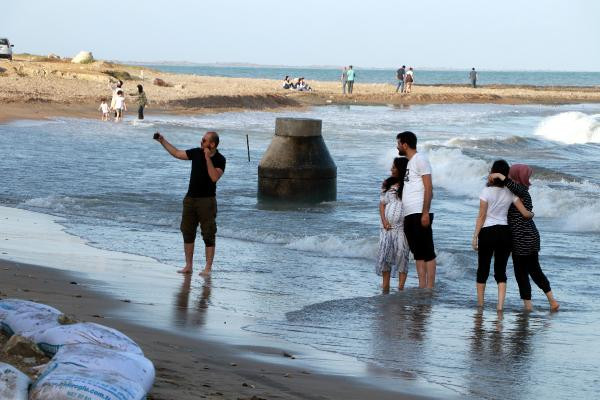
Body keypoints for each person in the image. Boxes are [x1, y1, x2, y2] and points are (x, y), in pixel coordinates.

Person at [154, 131, 226, 276]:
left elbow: (214, 177)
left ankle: (208, 268)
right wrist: (162, 141)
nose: (201, 142)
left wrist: (207, 158)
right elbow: (177, 153)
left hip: (207, 201)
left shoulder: (220, 159)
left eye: (204, 140)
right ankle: (188, 265)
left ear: (212, 144)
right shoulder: (196, 152)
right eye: (202, 140)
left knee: (208, 234)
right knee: (187, 231)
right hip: (190, 199)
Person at [490, 165, 560, 312]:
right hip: (530, 236)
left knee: (522, 273)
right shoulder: (519, 192)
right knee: (534, 270)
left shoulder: (520, 192)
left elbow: (513, 189)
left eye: (510, 174)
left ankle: (529, 306)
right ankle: (552, 301)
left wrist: (501, 176)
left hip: (522, 238)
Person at [473, 160, 533, 311]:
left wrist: (475, 237)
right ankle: (500, 307)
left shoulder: (485, 192)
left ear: (493, 172)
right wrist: (532, 213)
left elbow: (481, 216)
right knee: (500, 271)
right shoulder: (510, 192)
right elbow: (525, 213)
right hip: (505, 233)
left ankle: (480, 305)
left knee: (483, 269)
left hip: (487, 232)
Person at [396, 131, 436, 288]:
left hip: (420, 211)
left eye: (398, 143)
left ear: (405, 145)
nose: (397, 146)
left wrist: (425, 212)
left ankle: (430, 286)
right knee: (417, 251)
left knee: (428, 251)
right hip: (410, 213)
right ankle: (422, 285)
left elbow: (429, 187)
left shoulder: (420, 159)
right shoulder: (410, 162)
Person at [376, 157, 411, 292]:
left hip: (402, 227)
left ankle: (400, 288)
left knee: (402, 254)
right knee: (386, 255)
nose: (391, 169)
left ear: (401, 169)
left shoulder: (409, 184)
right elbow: (382, 204)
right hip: (386, 227)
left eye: (394, 167)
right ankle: (385, 287)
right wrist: (384, 221)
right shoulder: (386, 183)